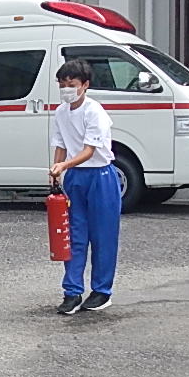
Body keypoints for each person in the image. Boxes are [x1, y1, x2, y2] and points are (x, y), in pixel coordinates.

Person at [49, 59, 119, 314]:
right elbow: (60, 144)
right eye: (62, 85)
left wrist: (64, 165)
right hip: (75, 177)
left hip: (100, 176)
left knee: (102, 237)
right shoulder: (60, 112)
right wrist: (56, 170)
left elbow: (89, 150)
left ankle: (102, 291)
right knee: (73, 235)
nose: (66, 89)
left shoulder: (94, 111)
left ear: (85, 85)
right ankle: (72, 291)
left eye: (72, 84)